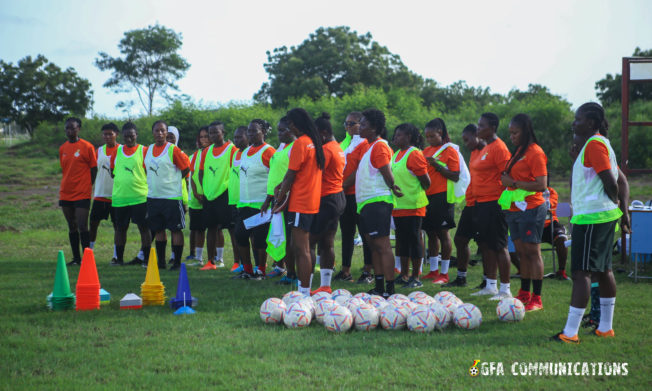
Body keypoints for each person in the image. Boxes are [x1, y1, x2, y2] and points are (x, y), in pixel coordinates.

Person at [553, 102, 630, 344]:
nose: (574, 123)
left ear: (592, 123)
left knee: (581, 273)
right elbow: (614, 178)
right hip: (603, 217)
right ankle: (605, 327)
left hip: (593, 217)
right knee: (603, 270)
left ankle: (570, 332)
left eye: (578, 119)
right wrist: (619, 209)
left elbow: (611, 181)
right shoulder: (596, 144)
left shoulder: (595, 144)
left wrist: (614, 200)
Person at [342, 108, 402, 298]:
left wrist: (393, 186)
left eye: (364, 124)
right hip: (366, 203)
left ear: (374, 128)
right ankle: (379, 286)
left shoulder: (380, 146)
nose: (361, 128)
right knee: (372, 245)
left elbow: (385, 170)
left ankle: (390, 289)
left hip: (378, 202)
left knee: (382, 245)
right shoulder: (369, 146)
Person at [274, 108, 325, 296]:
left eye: (290, 125)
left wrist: (279, 199)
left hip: (300, 203)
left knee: (301, 249)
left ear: (295, 125)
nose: (289, 128)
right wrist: (281, 186)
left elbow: (290, 175)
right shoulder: (314, 142)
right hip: (311, 202)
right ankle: (306, 289)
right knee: (305, 248)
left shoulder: (300, 144)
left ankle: (304, 293)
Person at [499, 113, 548, 308]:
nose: (511, 137)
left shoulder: (535, 152)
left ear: (525, 131)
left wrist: (513, 182)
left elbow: (541, 184)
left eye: (515, 132)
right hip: (514, 208)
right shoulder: (519, 150)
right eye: (510, 133)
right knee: (521, 252)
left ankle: (537, 298)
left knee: (532, 252)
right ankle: (524, 293)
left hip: (532, 208)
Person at [468, 113, 512, 298]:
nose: (478, 129)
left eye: (481, 126)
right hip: (481, 203)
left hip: (495, 203)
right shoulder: (485, 148)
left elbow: (508, 175)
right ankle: (490, 285)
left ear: (492, 127)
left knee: (499, 246)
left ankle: (505, 289)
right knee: (485, 245)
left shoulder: (499, 148)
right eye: (478, 125)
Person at [234, 119, 276, 279]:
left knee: (259, 240)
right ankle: (248, 269)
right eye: (249, 132)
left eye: (254, 131)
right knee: (240, 235)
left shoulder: (269, 151)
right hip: (245, 203)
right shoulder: (245, 152)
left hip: (261, 204)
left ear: (263, 132)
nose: (250, 134)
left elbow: (275, 177)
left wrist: (268, 200)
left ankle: (261, 270)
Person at [420, 118, 461, 284]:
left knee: (443, 233)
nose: (429, 139)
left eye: (432, 136)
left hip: (443, 196)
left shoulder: (450, 150)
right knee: (430, 233)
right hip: (427, 196)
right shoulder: (425, 150)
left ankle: (444, 272)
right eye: (427, 137)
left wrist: (436, 165)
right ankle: (434, 269)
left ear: (441, 133)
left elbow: (455, 176)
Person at [145, 120, 190, 270]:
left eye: (162, 131)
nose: (159, 133)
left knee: (175, 230)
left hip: (171, 197)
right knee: (158, 229)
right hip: (153, 197)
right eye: (156, 130)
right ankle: (161, 262)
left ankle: (176, 262)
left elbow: (185, 169)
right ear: (152, 132)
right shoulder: (148, 149)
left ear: (166, 133)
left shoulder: (173, 150)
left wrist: (173, 180)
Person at [445, 124, 485, 288]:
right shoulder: (474, 153)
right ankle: (461, 278)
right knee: (460, 239)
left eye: (468, 140)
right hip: (472, 203)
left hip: (486, 204)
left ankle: (488, 282)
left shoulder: (492, 150)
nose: (466, 144)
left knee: (486, 244)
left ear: (478, 135)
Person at [309, 113, 346, 294]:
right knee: (327, 243)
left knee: (309, 243)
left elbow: (313, 174)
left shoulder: (327, 150)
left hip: (326, 199)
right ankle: (325, 285)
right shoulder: (337, 147)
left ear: (322, 133)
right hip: (336, 197)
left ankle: (305, 287)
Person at [391, 123, 430, 288]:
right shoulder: (396, 154)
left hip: (413, 206)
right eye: (395, 135)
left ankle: (416, 277)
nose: (395, 138)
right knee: (402, 240)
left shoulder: (414, 154)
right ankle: (404, 274)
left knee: (414, 239)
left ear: (408, 137)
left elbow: (426, 182)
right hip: (398, 206)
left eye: (399, 135)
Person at [337, 111, 373, 283]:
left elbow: (359, 169)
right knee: (346, 233)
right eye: (346, 123)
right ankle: (345, 271)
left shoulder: (365, 144)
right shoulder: (345, 144)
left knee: (365, 233)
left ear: (361, 124)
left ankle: (368, 271)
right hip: (344, 195)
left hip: (358, 194)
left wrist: (342, 184)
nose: (348, 127)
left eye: (352, 123)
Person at [110, 122, 151, 267]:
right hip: (120, 197)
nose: (128, 139)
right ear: (122, 136)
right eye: (126, 136)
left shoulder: (144, 150)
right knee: (120, 228)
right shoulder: (117, 151)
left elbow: (148, 172)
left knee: (144, 228)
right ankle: (118, 259)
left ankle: (146, 259)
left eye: (131, 136)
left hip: (140, 197)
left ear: (136, 135)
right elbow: (112, 171)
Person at [261, 118, 297, 283]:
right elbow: (275, 173)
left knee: (290, 238)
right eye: (278, 130)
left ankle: (292, 273)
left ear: (292, 130)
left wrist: (283, 197)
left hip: (289, 198)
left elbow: (292, 175)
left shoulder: (295, 148)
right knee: (280, 234)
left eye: (283, 130)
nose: (279, 134)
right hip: (277, 197)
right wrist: (270, 197)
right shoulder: (281, 147)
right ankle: (281, 268)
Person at [198, 121, 237, 269]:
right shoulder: (206, 151)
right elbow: (201, 173)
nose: (213, 135)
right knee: (211, 228)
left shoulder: (232, 149)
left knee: (232, 229)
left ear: (223, 133)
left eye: (216, 132)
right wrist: (206, 188)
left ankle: (236, 262)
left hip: (226, 194)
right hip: (210, 195)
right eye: (211, 133)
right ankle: (210, 261)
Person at [59, 117, 97, 265]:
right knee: (71, 226)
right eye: (67, 128)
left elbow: (94, 169)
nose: (70, 131)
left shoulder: (87, 147)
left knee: (82, 225)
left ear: (78, 129)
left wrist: (88, 185)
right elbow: (65, 169)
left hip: (82, 193)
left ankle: (87, 259)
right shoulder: (63, 148)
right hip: (66, 192)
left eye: (73, 128)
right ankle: (76, 258)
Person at [89, 123, 119, 263]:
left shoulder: (122, 150)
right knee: (93, 224)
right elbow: (93, 170)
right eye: (105, 134)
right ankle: (89, 253)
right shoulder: (99, 150)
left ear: (116, 135)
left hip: (116, 195)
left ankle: (116, 255)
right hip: (100, 194)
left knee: (117, 227)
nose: (107, 137)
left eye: (110, 134)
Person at [186, 126, 211, 266]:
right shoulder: (195, 155)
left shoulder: (213, 153)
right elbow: (193, 176)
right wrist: (195, 192)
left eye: (206, 136)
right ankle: (199, 258)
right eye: (201, 137)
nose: (204, 139)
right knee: (198, 229)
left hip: (211, 196)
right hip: (197, 198)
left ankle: (216, 258)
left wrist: (207, 193)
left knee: (215, 229)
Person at [227, 126, 248, 272]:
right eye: (235, 137)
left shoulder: (250, 153)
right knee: (237, 234)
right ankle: (241, 263)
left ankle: (259, 264)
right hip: (234, 201)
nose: (236, 140)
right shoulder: (235, 154)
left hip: (247, 200)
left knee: (252, 236)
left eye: (240, 137)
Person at [543, 184, 570, 280]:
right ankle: (525, 271)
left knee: (562, 238)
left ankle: (561, 271)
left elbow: (549, 205)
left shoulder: (550, 191)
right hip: (531, 224)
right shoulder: (525, 190)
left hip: (550, 224)